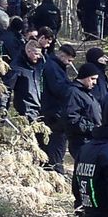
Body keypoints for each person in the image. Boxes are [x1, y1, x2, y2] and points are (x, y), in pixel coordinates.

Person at [39, 41, 75, 172]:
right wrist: (73, 88)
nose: (69, 63)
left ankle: (53, 167)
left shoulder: (55, 66)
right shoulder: (53, 67)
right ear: (62, 55)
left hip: (52, 109)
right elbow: (59, 89)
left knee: (53, 142)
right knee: (57, 142)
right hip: (54, 111)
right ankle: (55, 169)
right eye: (69, 60)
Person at [62, 63, 104, 165]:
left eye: (96, 79)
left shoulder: (86, 92)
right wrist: (93, 128)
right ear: (84, 76)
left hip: (91, 140)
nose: (95, 82)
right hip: (81, 142)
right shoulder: (73, 92)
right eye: (92, 79)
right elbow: (71, 118)